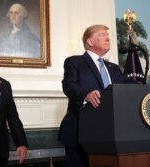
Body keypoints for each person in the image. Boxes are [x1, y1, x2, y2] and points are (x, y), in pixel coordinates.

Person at [58, 25, 136, 167]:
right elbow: (69, 85)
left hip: (111, 134)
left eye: (107, 34)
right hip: (80, 131)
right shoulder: (74, 62)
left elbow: (128, 87)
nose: (108, 37)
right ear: (90, 42)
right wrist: (85, 95)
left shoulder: (114, 68)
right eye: (102, 34)